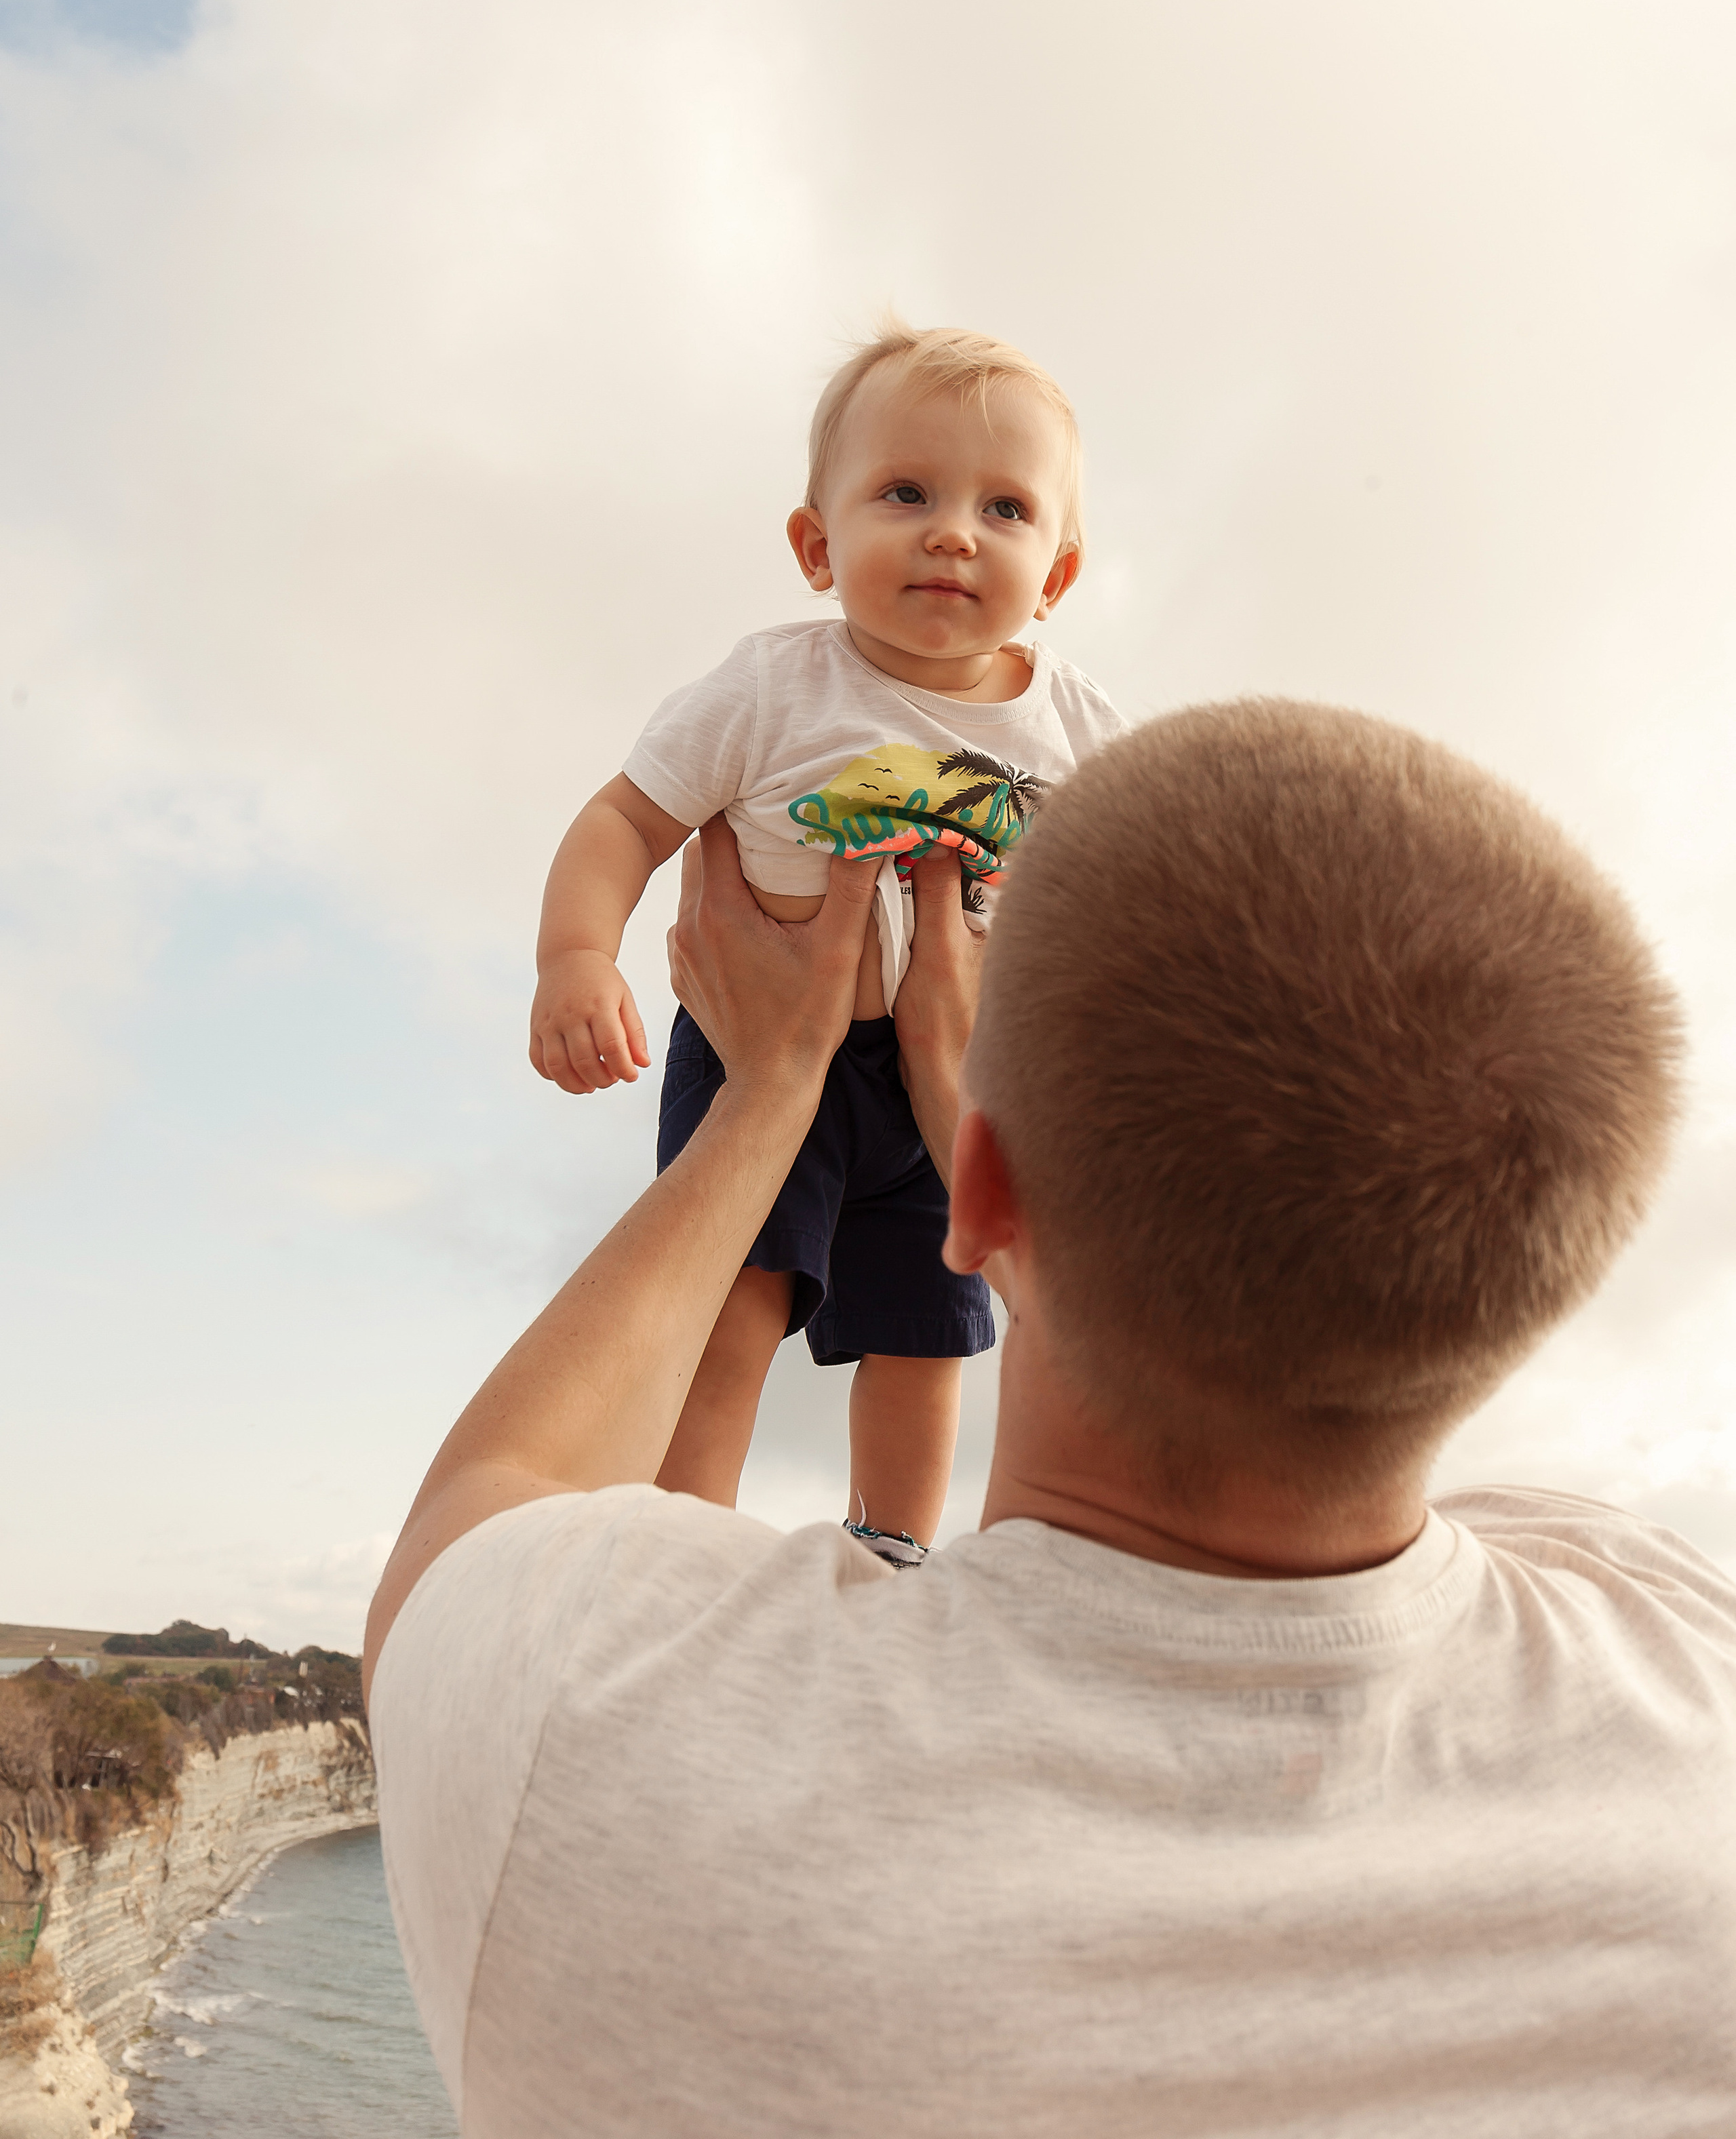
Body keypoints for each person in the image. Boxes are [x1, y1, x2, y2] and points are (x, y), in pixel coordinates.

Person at [366, 699, 1736, 2138]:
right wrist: (978, 1125)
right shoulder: (1675, 1649)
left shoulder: (597, 1723)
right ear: (1547, 1283)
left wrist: (772, 1087)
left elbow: (486, 1506)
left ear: (985, 1190)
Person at [526, 321, 1122, 1560]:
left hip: (952, 1088)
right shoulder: (773, 688)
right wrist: (575, 958)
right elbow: (622, 819)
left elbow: (1141, 896)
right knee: (729, 1309)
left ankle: (891, 1547)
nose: (954, 529)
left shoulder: (1080, 730)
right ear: (816, 546)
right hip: (763, 1058)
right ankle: (687, 1538)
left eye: (1004, 508)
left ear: (1056, 578)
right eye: (906, 492)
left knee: (930, 1328)